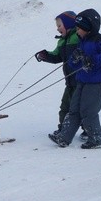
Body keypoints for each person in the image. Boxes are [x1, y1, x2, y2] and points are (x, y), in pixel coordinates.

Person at [53, 8, 101, 150]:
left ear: (88, 28)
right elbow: (74, 64)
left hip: (96, 84)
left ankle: (96, 138)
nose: (77, 30)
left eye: (79, 28)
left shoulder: (100, 40)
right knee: (74, 109)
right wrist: (74, 59)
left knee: (88, 111)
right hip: (81, 81)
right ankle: (64, 137)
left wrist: (92, 60)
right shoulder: (82, 41)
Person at [35, 11, 81, 140]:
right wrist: (45, 55)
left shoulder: (78, 38)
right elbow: (57, 56)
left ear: (69, 24)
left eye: (60, 25)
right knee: (64, 106)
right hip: (69, 82)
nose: (58, 28)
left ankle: (87, 130)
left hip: (81, 80)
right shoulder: (61, 42)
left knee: (81, 107)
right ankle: (63, 129)